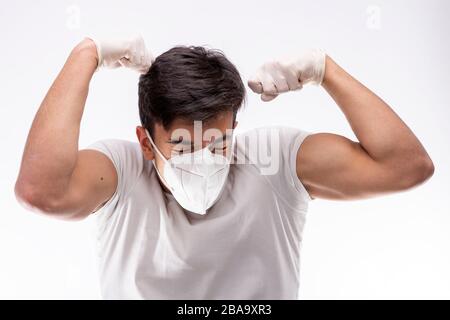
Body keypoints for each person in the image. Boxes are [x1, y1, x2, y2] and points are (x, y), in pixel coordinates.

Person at [14, 35, 434, 299]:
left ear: (235, 130)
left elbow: (406, 166)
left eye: (218, 143)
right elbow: (40, 190)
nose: (202, 160)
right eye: (181, 144)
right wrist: (86, 55)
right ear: (146, 143)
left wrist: (325, 71)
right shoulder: (123, 173)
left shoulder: (274, 161)